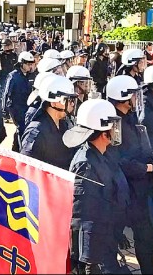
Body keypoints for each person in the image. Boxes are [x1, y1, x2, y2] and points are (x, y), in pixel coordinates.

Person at [63, 99, 130, 274]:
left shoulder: (102, 155)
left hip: (106, 239)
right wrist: (91, 262)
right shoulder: (85, 165)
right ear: (102, 132)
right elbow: (83, 217)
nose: (115, 130)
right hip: (95, 253)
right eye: (112, 126)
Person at [106, 75, 153, 274]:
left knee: (145, 235)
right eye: (132, 95)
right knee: (115, 235)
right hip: (123, 190)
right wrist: (146, 168)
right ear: (123, 97)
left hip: (138, 188)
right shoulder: (113, 122)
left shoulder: (129, 117)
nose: (136, 99)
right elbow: (118, 160)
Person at [21, 75, 77, 170]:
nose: (72, 104)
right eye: (67, 100)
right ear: (53, 102)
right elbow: (27, 169)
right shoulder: (36, 132)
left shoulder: (63, 125)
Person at [4, 51, 36, 152]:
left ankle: (15, 150)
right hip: (16, 108)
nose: (30, 66)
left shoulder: (30, 76)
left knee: (22, 129)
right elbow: (6, 93)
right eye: (28, 64)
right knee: (21, 129)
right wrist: (5, 110)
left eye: (31, 64)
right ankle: (22, 152)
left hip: (27, 107)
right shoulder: (13, 76)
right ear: (22, 64)